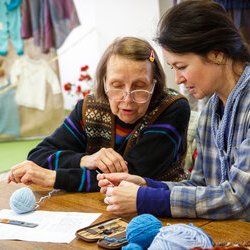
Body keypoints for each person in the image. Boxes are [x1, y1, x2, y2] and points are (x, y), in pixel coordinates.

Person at [97, 1, 250, 221]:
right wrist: (147, 185)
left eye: (182, 66)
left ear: (217, 54)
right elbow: (200, 185)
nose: (178, 79)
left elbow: (239, 200)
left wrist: (145, 199)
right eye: (173, 68)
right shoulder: (210, 112)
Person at [8, 37, 190, 192]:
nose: (127, 99)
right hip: (95, 206)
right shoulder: (89, 108)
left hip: (160, 208)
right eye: (117, 85)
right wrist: (86, 160)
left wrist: (54, 178)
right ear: (104, 82)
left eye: (140, 86)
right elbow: (39, 156)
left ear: (154, 84)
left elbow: (131, 175)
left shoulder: (172, 109)